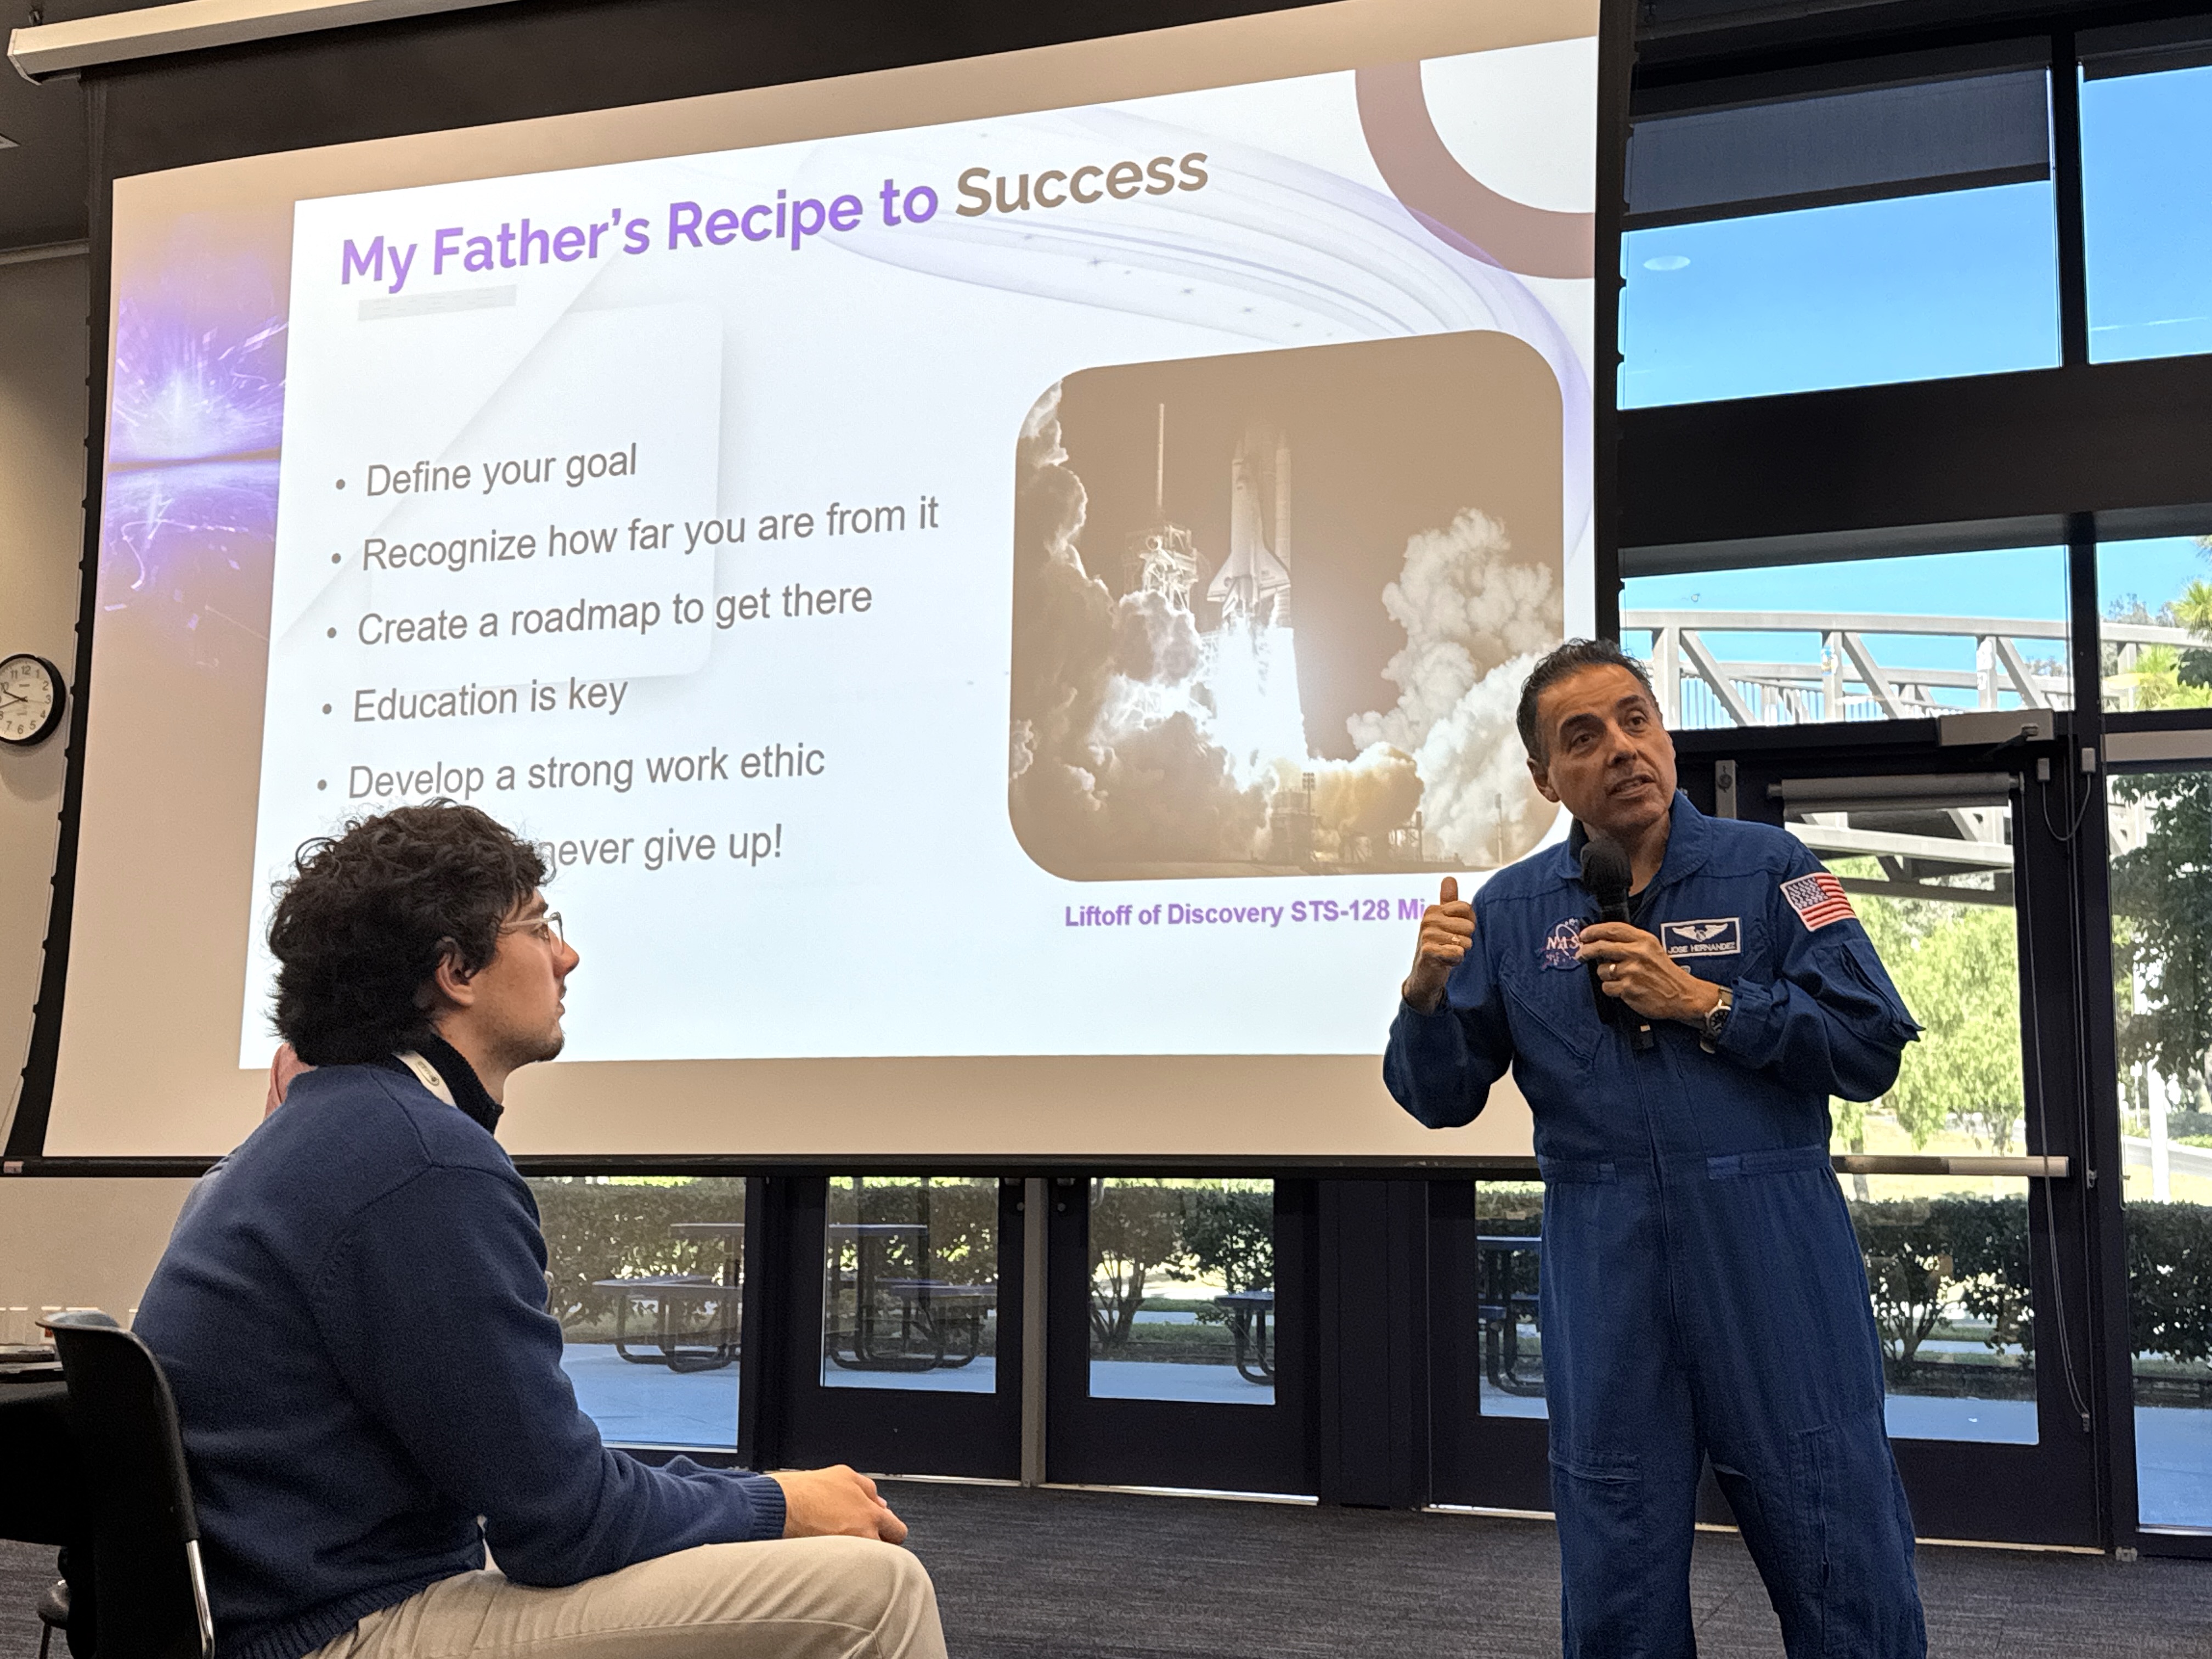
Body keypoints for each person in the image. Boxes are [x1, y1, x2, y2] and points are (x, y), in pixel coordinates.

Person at [134, 803, 945, 1659]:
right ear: (456, 971)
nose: (567, 954)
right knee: (874, 1592)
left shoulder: (329, 1134)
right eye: (537, 926)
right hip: (333, 1630)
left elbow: (534, 1479)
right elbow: (563, 1526)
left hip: (279, 1606)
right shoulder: (422, 1161)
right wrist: (781, 1505)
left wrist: (754, 1498)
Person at [1386, 640, 1927, 1659]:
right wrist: (1420, 1001)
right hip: (1604, 1261)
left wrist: (1711, 1004)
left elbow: (1870, 1043)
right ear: (1547, 778)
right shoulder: (1508, 910)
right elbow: (1440, 1099)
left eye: (1637, 720)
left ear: (1664, 735)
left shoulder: (1773, 869)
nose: (1622, 749)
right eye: (1582, 738)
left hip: (1772, 1253)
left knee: (1840, 1548)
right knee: (1615, 1572)